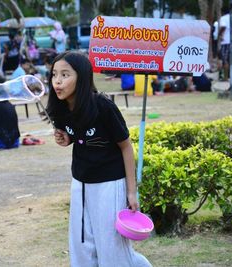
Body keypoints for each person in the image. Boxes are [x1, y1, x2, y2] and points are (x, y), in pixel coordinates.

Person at [46, 51, 152, 267]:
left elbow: (126, 147)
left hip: (109, 185)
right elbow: (81, 136)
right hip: (80, 183)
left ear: (82, 77)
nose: (57, 81)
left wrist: (131, 192)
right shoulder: (60, 108)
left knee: (111, 248)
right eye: (54, 74)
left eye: (65, 75)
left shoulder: (103, 106)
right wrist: (68, 138)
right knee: (82, 245)